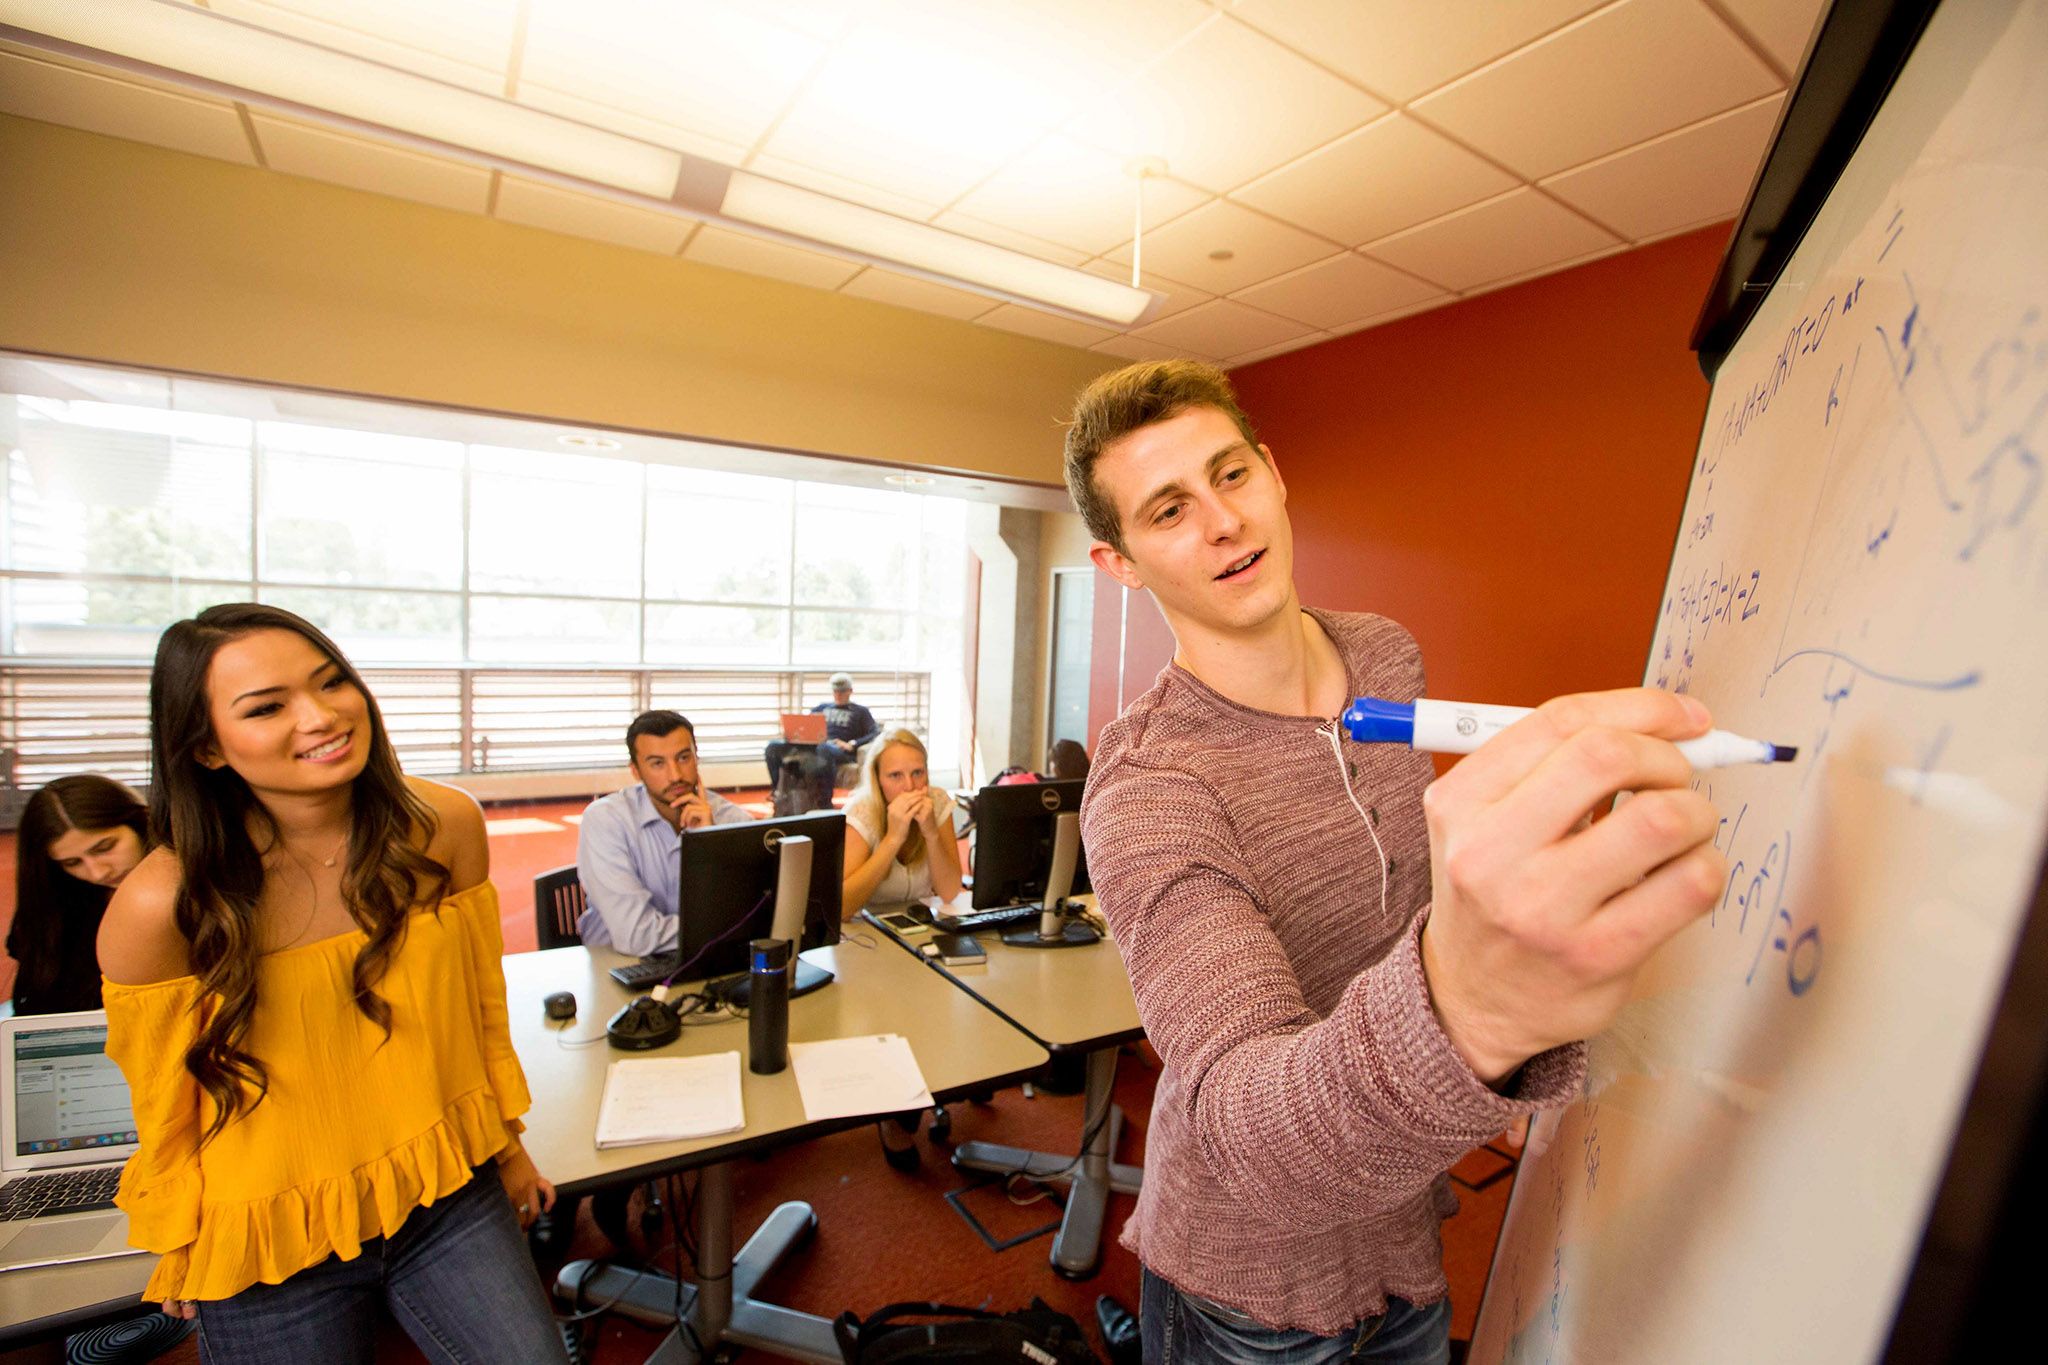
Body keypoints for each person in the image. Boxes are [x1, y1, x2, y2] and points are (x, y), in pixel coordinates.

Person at [1066, 362, 1723, 1363]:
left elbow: (1410, 901)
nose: (1222, 522)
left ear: (1273, 474)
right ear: (1122, 565)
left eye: (1230, 475)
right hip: (1252, 1288)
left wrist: (1495, 1053)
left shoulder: (1383, 657)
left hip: (1403, 1212)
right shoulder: (1148, 787)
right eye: (1167, 510)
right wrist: (1476, 1013)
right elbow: (1235, 1122)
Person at [95, 603, 567, 1362]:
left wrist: (508, 1142)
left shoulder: (443, 824)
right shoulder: (163, 904)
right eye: (267, 707)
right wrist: (178, 1233)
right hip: (268, 1232)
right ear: (208, 747)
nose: (320, 717)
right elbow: (162, 1099)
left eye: (331, 681)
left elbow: (479, 1008)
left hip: (443, 1186)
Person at [577, 709, 755, 958]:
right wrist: (726, 929)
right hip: (618, 966)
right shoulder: (606, 820)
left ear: (697, 758)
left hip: (704, 960)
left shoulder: (732, 820)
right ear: (636, 771)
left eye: (683, 758)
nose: (676, 775)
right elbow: (636, 935)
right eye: (657, 763)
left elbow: (752, 914)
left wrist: (712, 843)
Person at [7, 775, 149, 1016]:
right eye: (72, 863)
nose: (98, 872)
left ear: (141, 824)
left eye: (104, 848)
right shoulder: (57, 904)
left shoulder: (199, 886)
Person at [838, 728, 963, 918]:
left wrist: (931, 834)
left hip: (920, 920)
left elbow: (949, 892)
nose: (909, 786)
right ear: (878, 779)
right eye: (895, 775)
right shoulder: (861, 812)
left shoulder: (937, 801)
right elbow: (842, 908)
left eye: (917, 773)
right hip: (867, 927)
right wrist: (893, 839)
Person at [763, 671, 880, 796]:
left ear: (850, 691)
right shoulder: (821, 708)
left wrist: (852, 744)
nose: (838, 695)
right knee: (772, 746)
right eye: (835, 691)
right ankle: (777, 791)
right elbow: (805, 726)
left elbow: (875, 732)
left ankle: (825, 800)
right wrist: (793, 735)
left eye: (842, 691)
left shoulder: (860, 711)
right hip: (813, 745)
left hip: (838, 749)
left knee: (824, 748)